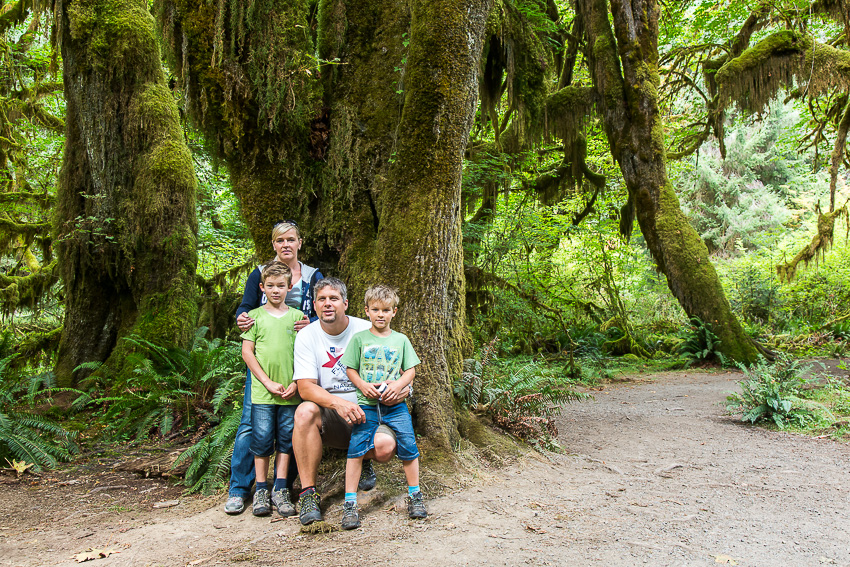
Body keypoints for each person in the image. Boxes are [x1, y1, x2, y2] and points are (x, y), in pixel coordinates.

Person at [224, 220, 323, 515]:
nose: (286, 245)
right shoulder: (260, 272)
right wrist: (242, 317)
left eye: (291, 239)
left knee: (290, 428)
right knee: (250, 425)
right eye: (280, 240)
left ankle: (283, 486)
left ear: (299, 243)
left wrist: (311, 323)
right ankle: (240, 489)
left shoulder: (312, 275)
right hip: (264, 365)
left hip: (297, 364)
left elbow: (323, 309)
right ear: (273, 244)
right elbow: (246, 307)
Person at [292, 278, 408, 526]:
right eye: (322, 299)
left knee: (385, 447)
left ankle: (364, 459)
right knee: (304, 412)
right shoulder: (307, 336)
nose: (327, 304)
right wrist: (338, 404)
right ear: (315, 305)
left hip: (370, 411)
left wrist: (404, 389)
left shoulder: (367, 329)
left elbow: (401, 371)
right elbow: (305, 387)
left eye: (333, 299)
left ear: (345, 303)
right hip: (333, 415)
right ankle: (308, 494)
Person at [339, 284, 426, 529]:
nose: (380, 314)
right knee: (356, 448)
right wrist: (362, 385)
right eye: (375, 309)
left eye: (386, 310)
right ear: (367, 311)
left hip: (395, 407)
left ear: (394, 312)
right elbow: (350, 368)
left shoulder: (401, 340)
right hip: (366, 405)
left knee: (409, 445)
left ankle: (415, 496)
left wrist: (398, 385)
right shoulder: (359, 339)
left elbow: (410, 370)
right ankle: (350, 504)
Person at [240, 262, 302, 516]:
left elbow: (305, 354)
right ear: (262, 287)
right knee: (262, 440)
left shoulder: (298, 318)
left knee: (286, 440)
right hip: (263, 393)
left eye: (281, 286)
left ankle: (281, 488)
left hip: (291, 393)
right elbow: (247, 352)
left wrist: (296, 382)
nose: (276, 290)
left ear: (290, 287)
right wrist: (267, 382)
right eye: (271, 286)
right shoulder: (254, 317)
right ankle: (261, 489)